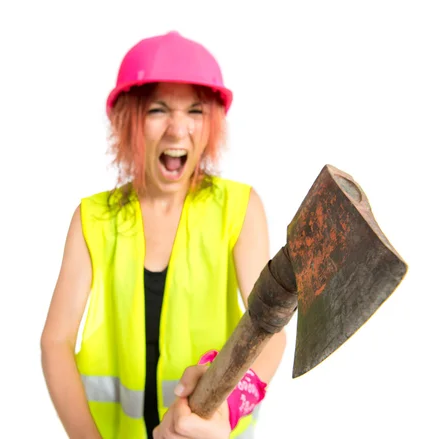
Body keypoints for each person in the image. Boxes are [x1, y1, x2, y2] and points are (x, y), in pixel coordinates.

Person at [40, 30, 288, 439]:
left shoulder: (238, 209)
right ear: (129, 121)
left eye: (195, 111)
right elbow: (56, 342)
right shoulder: (93, 218)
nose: (177, 130)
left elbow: (270, 330)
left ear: (212, 123)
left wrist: (228, 408)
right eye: (158, 110)